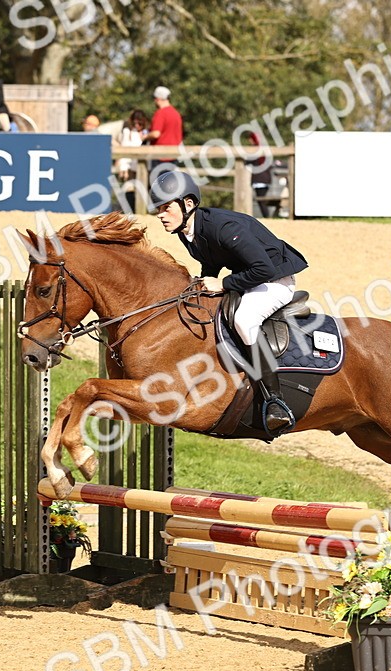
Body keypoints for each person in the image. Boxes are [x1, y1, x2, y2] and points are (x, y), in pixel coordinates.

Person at [149, 170, 306, 436]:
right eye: (158, 208)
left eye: (166, 207)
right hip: (251, 278)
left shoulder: (223, 227)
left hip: (275, 280)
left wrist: (221, 284)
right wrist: (204, 279)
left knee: (244, 320)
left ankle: (275, 400)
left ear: (188, 204)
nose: (161, 214)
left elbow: (263, 269)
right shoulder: (187, 229)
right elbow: (213, 259)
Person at [144, 86, 183, 177]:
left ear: (158, 99)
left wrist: (144, 136)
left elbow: (156, 133)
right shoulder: (176, 114)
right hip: (173, 156)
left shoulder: (160, 113)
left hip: (159, 157)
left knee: (157, 187)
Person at [117, 109, 149, 210]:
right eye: (135, 122)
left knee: (141, 188)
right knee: (129, 187)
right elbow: (124, 148)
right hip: (129, 165)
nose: (137, 125)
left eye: (139, 123)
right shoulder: (128, 132)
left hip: (143, 165)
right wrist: (123, 166)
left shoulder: (146, 132)